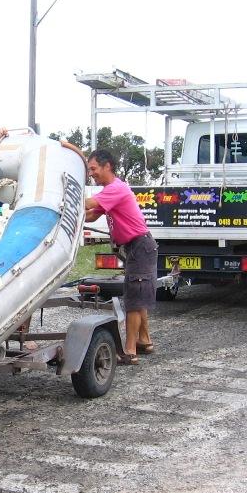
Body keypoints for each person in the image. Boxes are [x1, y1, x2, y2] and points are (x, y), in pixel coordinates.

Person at [84, 149, 157, 365]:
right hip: (136, 247)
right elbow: (91, 214)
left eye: (93, 169)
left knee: (133, 299)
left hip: (140, 245)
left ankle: (130, 350)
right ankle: (145, 340)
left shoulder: (115, 188)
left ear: (107, 166)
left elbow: (88, 205)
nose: (91, 174)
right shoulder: (110, 191)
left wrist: (65, 202)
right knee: (138, 292)